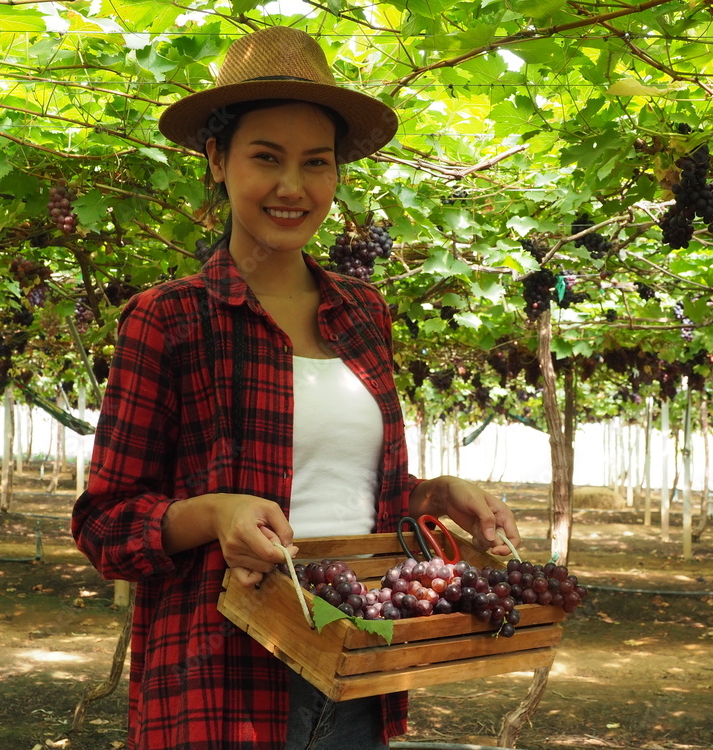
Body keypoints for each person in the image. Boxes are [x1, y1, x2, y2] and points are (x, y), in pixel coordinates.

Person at [71, 25, 521, 750]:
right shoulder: (171, 318)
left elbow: (348, 488)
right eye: (266, 158)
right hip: (221, 680)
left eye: (316, 162)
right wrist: (214, 513)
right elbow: (104, 524)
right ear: (217, 160)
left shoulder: (363, 313)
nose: (293, 187)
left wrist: (433, 495)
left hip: (360, 659)